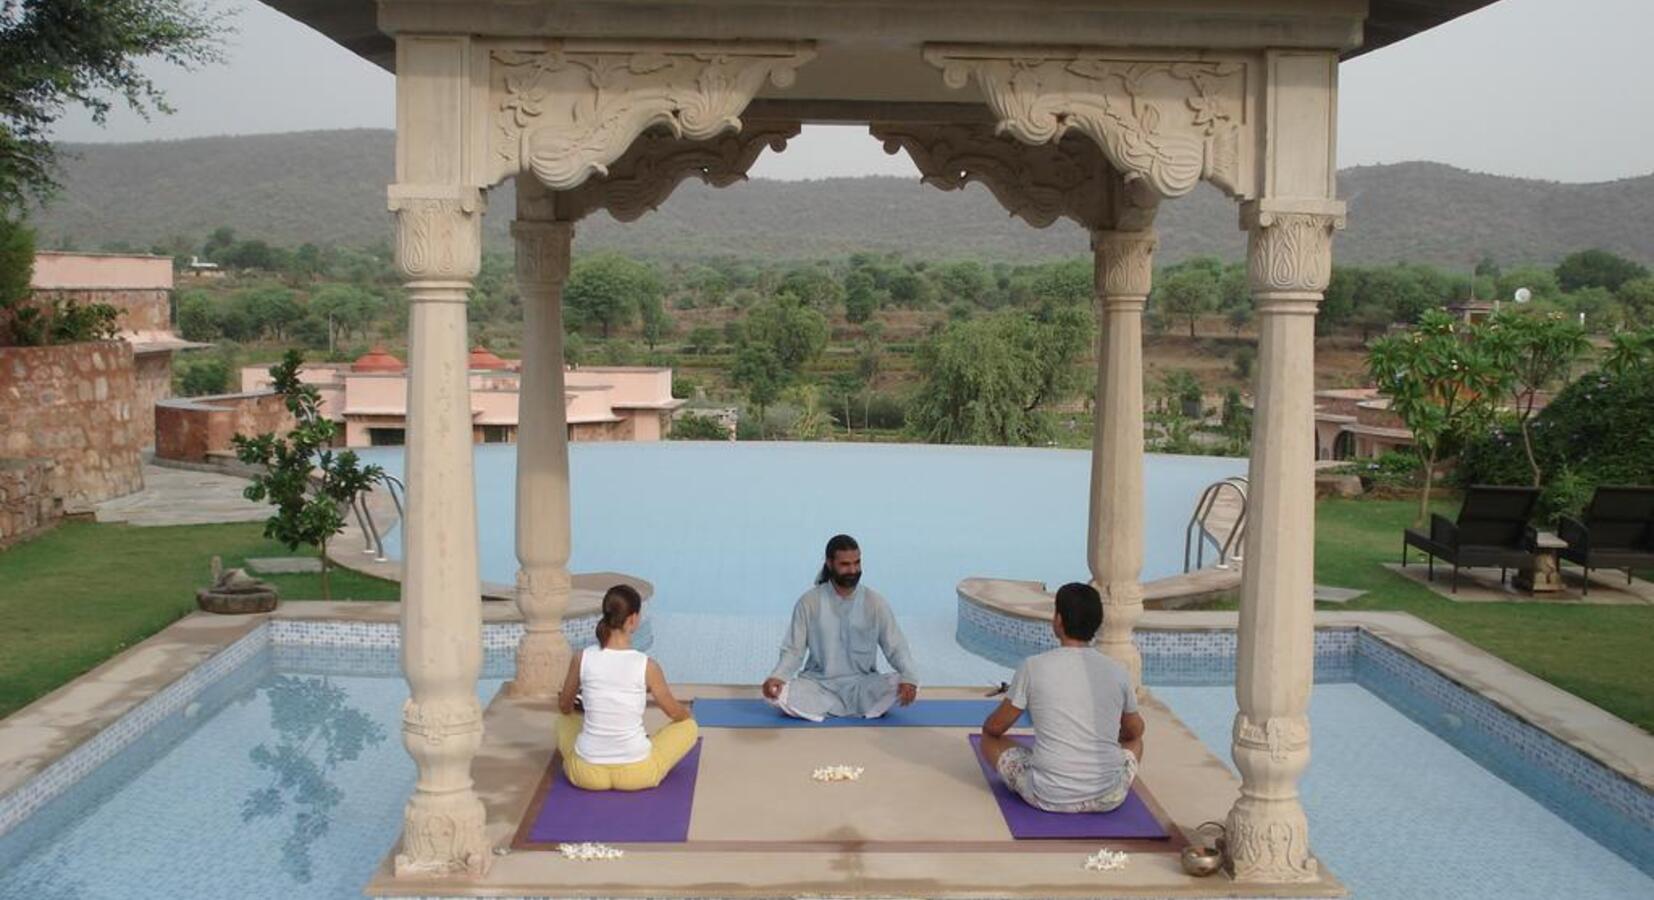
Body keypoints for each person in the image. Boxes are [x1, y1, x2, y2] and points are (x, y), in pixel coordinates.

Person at [979, 582, 1145, 813]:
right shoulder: (1118, 671)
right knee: (1135, 743)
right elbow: (1135, 732)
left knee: (989, 740)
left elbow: (995, 727)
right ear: (1097, 624)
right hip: (1109, 795)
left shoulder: (1033, 666)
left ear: (1058, 620)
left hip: (1048, 794)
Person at [760, 534, 920, 720]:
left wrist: (909, 678)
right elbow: (794, 651)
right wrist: (777, 676)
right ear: (829, 563)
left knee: (904, 681)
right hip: (818, 687)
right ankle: (855, 709)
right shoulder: (809, 602)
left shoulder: (875, 603)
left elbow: (896, 647)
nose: (853, 570)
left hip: (862, 686)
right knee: (774, 693)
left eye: (857, 563)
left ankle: (835, 709)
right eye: (845, 564)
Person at [556, 584, 698, 791]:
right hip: (637, 773)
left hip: (586, 773)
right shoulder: (647, 666)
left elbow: (564, 707)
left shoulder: (582, 658)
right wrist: (687, 714)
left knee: (563, 721)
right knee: (689, 727)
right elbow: (674, 712)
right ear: (633, 619)